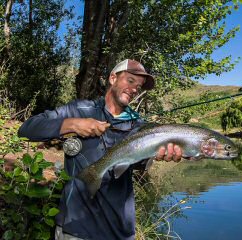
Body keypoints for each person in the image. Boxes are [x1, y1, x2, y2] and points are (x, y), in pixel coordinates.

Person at [18, 59, 182, 240]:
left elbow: (140, 164)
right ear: (113, 78)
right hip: (75, 227)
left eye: (139, 86)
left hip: (120, 230)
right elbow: (27, 129)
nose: (135, 89)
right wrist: (71, 124)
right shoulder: (79, 110)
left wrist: (160, 154)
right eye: (130, 80)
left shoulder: (140, 126)